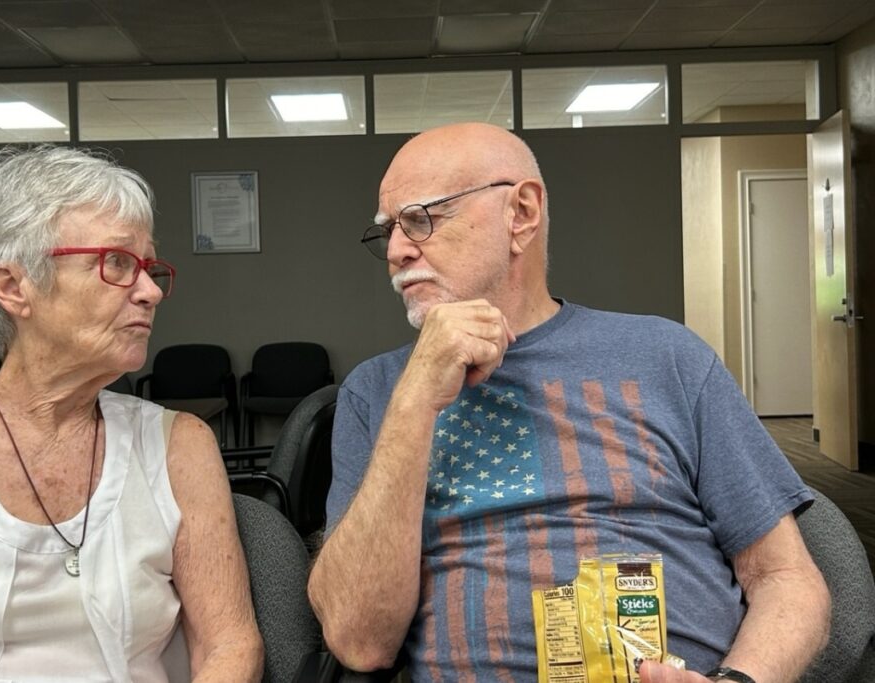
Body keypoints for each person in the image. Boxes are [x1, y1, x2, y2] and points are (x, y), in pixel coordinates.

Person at [307, 122, 830, 683]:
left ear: (521, 213)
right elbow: (359, 641)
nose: (395, 250)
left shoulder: (665, 357)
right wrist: (414, 399)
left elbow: (785, 577)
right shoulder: (376, 391)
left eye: (419, 219)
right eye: (387, 230)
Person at [0, 146, 263, 682]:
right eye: (118, 262)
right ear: (13, 287)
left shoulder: (179, 444)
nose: (150, 292)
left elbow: (230, 647)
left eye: (148, 267)